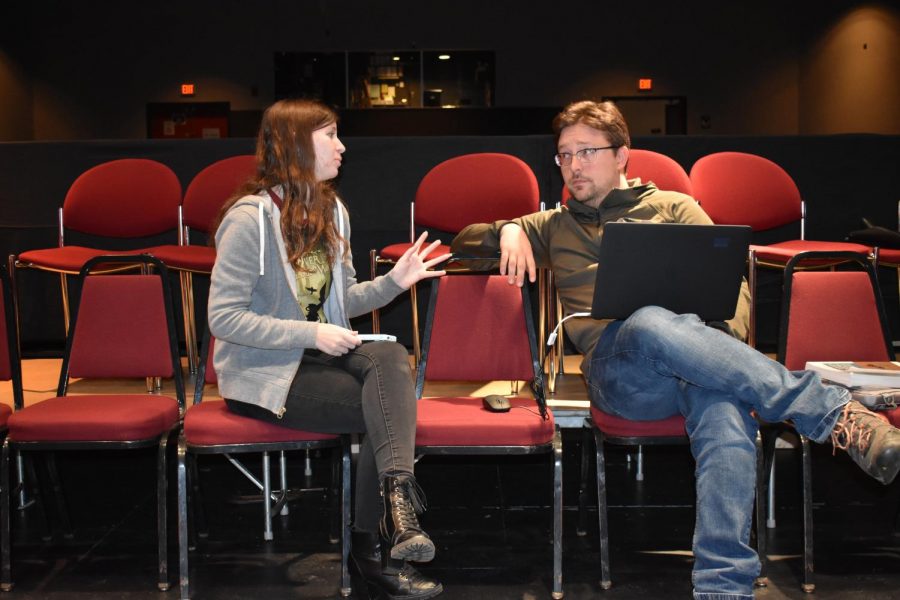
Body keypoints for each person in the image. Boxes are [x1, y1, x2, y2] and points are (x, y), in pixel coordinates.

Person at [451, 99, 900, 600]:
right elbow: (464, 242)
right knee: (647, 322)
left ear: (623, 155)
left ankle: (723, 587)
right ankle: (833, 415)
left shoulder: (674, 208)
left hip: (692, 362)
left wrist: (714, 352)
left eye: (587, 152)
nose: (573, 165)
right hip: (620, 374)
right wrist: (510, 227)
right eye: (563, 155)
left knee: (725, 406)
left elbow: (733, 292)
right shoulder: (551, 224)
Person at [208, 98, 446, 600]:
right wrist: (311, 334)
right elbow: (223, 319)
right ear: (295, 144)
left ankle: (396, 510)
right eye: (330, 135)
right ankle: (372, 547)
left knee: (388, 355)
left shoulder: (332, 210)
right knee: (380, 409)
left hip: (320, 361)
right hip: (265, 373)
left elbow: (344, 301)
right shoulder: (248, 219)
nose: (342, 147)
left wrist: (394, 284)